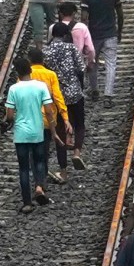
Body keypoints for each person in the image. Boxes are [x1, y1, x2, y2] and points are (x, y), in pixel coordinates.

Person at [4, 62, 56, 208]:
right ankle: (39, 187)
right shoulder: (41, 87)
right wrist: (53, 129)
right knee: (39, 161)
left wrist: (10, 121)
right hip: (37, 131)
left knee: (23, 168)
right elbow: (48, 110)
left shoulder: (13, 89)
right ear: (30, 71)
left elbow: (9, 115)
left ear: (18, 73)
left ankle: (27, 203)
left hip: (21, 134)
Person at [25, 44, 76, 184]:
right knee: (44, 150)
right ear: (43, 60)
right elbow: (58, 97)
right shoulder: (50, 75)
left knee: (32, 151)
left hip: (29, 119)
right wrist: (65, 118)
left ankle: (38, 180)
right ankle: (42, 180)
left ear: (29, 60)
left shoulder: (25, 75)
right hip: (48, 120)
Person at [45, 20, 91, 171]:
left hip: (57, 97)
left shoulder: (46, 51)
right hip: (75, 92)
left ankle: (63, 170)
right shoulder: (71, 48)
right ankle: (77, 152)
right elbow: (81, 68)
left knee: (59, 131)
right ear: (66, 35)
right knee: (79, 124)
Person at [83, 0, 124, 99]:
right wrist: (119, 31)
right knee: (111, 64)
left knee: (92, 62)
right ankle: (108, 94)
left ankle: (94, 89)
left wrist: (85, 35)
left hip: (94, 35)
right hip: (110, 33)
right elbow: (120, 14)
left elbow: (84, 18)